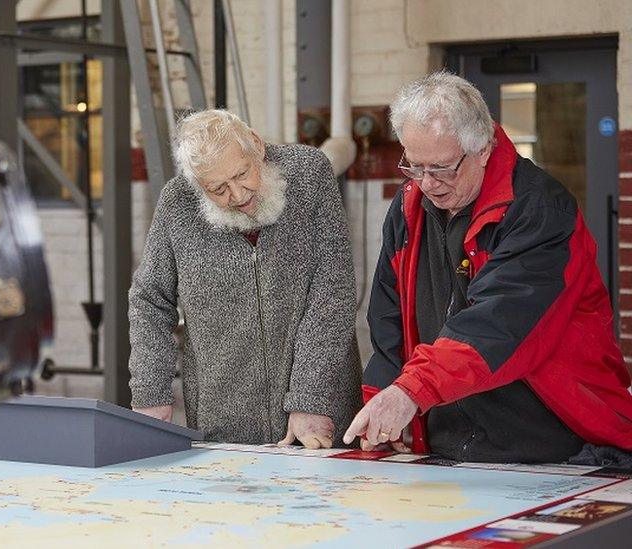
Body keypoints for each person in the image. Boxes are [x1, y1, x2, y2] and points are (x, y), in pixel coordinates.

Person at [345, 72, 632, 462]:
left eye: (442, 169)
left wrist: (412, 392)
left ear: (482, 149)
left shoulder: (539, 209)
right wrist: (382, 402)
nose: (427, 183)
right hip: (449, 444)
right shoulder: (409, 207)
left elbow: (498, 324)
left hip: (551, 444)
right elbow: (389, 321)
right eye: (414, 165)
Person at [128, 109, 362, 447]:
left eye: (242, 174)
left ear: (256, 145)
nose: (237, 196)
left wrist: (310, 394)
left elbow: (333, 289)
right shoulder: (176, 204)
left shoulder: (309, 173)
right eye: (218, 189)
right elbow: (149, 300)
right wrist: (151, 391)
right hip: (222, 421)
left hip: (319, 414)